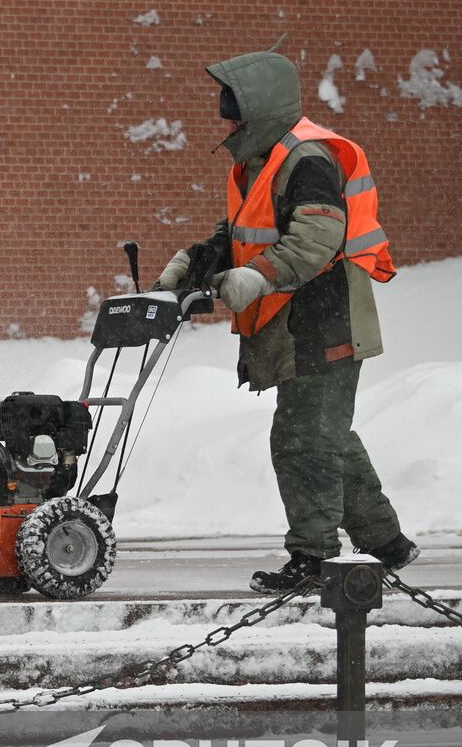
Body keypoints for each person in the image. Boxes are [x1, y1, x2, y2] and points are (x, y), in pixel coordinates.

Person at [151, 50, 418, 593]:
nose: (224, 123)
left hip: (327, 315)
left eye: (232, 113)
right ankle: (387, 542)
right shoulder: (259, 161)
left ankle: (315, 559)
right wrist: (196, 259)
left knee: (304, 440)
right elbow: (245, 231)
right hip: (296, 318)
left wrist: (259, 277)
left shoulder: (308, 158)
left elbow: (318, 239)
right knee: (325, 434)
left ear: (258, 110)